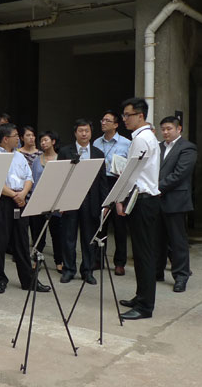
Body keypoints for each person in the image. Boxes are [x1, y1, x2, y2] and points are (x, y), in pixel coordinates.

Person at [0, 123, 50, 295]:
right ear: (5, 139)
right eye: (15, 135)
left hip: (21, 200)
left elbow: (29, 177)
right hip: (2, 201)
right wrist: (13, 195)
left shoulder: (19, 156)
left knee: (22, 241)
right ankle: (0, 279)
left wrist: (22, 194)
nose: (18, 138)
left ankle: (28, 280)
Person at [117, 97, 162, 320]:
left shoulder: (141, 139)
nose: (125, 119)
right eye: (124, 115)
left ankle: (145, 306)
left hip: (141, 200)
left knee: (143, 254)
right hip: (146, 199)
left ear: (140, 116)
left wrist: (119, 198)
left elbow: (131, 174)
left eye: (128, 115)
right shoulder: (147, 137)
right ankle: (141, 296)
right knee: (141, 252)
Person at [58, 119, 108, 285]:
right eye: (80, 130)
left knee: (89, 238)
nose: (84, 134)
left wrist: (105, 204)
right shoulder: (65, 152)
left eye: (87, 130)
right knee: (68, 237)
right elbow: (60, 178)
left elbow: (102, 181)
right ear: (75, 133)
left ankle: (87, 270)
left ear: (91, 133)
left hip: (91, 200)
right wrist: (60, 202)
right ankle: (68, 270)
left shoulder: (98, 153)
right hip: (70, 199)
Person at [156, 116, 198, 292]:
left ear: (178, 129)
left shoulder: (187, 148)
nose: (165, 132)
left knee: (177, 241)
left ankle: (181, 276)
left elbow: (180, 174)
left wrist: (156, 187)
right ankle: (157, 272)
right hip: (156, 200)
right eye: (163, 129)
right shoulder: (158, 147)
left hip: (175, 200)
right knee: (157, 239)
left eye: (169, 129)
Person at [92, 110, 131, 276]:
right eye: (102, 120)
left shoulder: (126, 143)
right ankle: (98, 259)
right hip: (101, 183)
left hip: (118, 182)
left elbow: (130, 166)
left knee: (119, 225)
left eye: (107, 120)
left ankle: (120, 262)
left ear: (116, 124)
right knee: (100, 223)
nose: (103, 123)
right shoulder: (96, 142)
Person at [30, 130, 64, 272]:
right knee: (38, 234)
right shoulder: (36, 160)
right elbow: (32, 180)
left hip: (55, 202)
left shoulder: (60, 160)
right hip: (38, 201)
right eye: (41, 141)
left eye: (46, 140)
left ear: (53, 142)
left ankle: (59, 261)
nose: (43, 143)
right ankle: (36, 260)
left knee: (57, 234)